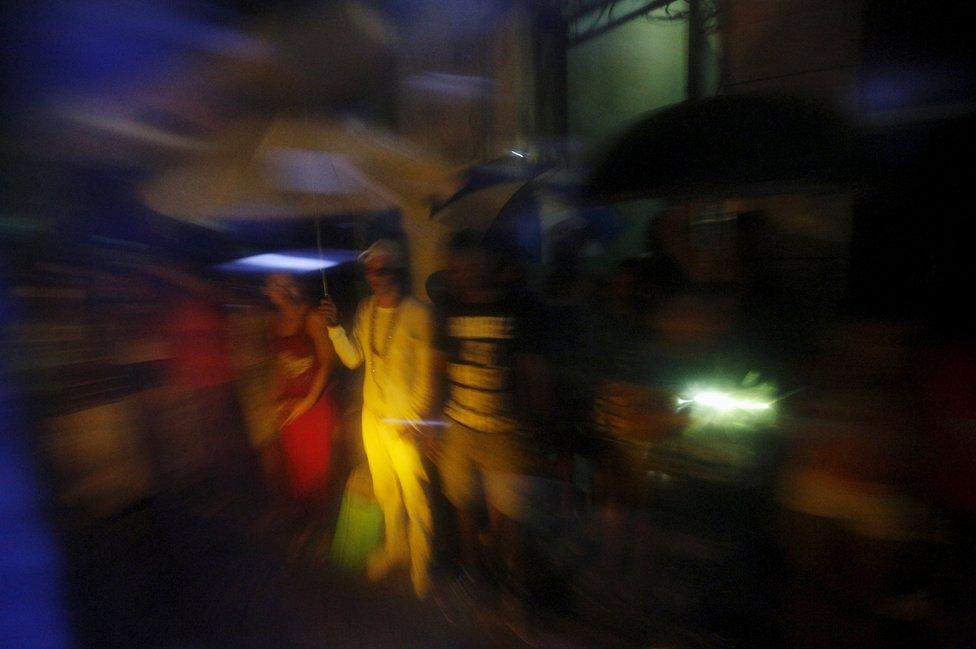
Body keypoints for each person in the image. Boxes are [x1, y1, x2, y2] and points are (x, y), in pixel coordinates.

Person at [434, 230, 550, 615]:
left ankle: (511, 582)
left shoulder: (519, 308)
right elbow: (439, 368)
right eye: (456, 267)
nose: (461, 273)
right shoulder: (449, 308)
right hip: (459, 426)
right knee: (463, 503)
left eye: (469, 264)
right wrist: (433, 422)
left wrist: (533, 431)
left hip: (505, 429)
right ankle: (474, 574)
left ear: (488, 263)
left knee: (511, 514)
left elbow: (533, 372)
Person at [319, 239, 437, 599]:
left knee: (415, 495)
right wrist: (336, 327)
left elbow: (427, 373)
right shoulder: (367, 310)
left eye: (384, 268)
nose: (377, 276)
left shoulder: (419, 313)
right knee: (386, 491)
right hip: (374, 417)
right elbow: (354, 359)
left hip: (404, 421)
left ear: (398, 270)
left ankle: (422, 562)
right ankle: (395, 548)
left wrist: (415, 420)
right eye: (372, 269)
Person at [264, 273, 338, 514]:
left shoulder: (312, 318)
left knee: (317, 465)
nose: (269, 290)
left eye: (275, 285)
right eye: (269, 286)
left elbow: (327, 363)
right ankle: (305, 516)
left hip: (313, 403)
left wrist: (307, 402)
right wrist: (274, 400)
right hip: (289, 403)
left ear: (290, 288)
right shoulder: (276, 323)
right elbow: (280, 364)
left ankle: (322, 517)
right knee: (296, 464)